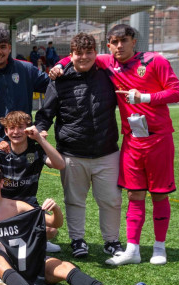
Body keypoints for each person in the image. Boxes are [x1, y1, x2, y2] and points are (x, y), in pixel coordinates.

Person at [50, 24, 179, 266]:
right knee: (134, 194)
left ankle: (159, 247)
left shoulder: (155, 61)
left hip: (158, 138)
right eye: (114, 41)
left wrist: (146, 98)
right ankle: (132, 249)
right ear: (109, 45)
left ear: (134, 41)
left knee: (158, 195)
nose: (119, 46)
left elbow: (176, 92)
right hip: (131, 141)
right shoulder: (108, 62)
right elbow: (77, 54)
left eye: (124, 40)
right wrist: (60, 64)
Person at [0, 164, 147, 285]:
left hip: (31, 261)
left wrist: (54, 209)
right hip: (6, 270)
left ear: (2, 183)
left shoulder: (19, 207)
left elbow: (55, 223)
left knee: (65, 266)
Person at [35, 33, 123, 259]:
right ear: (71, 55)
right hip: (72, 153)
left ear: (95, 53)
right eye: (78, 53)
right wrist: (41, 129)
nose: (84, 57)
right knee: (74, 201)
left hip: (107, 151)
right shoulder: (59, 79)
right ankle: (77, 240)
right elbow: (46, 113)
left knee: (111, 200)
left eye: (88, 52)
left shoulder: (108, 75)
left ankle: (112, 241)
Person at [0, 111, 64, 252]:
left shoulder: (35, 151)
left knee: (51, 230)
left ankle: (33, 239)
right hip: (2, 207)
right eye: (12, 128)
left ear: (28, 129)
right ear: (6, 131)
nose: (16, 132)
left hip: (27, 206)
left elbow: (60, 165)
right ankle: (23, 238)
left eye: (20, 127)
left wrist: (40, 140)